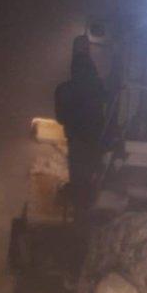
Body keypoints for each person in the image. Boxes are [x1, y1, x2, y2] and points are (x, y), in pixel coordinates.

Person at [55, 35, 105, 220]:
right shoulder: (97, 85)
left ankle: (81, 215)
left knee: (80, 177)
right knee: (93, 174)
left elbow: (61, 117)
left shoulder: (65, 89)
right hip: (95, 137)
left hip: (78, 138)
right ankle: (87, 208)